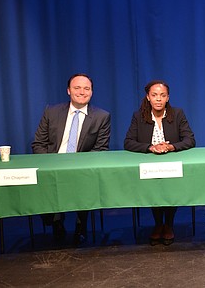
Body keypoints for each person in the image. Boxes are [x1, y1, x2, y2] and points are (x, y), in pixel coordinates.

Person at [31, 73, 111, 245]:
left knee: (84, 180)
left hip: (82, 167)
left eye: (86, 88)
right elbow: (38, 143)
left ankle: (81, 226)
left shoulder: (101, 116)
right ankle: (56, 222)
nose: (82, 92)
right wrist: (50, 164)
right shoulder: (51, 112)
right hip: (52, 164)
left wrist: (77, 165)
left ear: (91, 92)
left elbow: (101, 149)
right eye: (77, 88)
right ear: (68, 91)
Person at [124, 80, 195, 245]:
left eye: (162, 95)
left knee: (170, 186)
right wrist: (150, 147)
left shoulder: (177, 114)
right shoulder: (138, 116)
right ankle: (158, 224)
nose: (158, 99)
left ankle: (169, 224)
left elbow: (190, 139)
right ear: (148, 97)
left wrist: (171, 147)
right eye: (154, 95)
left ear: (167, 98)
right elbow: (128, 142)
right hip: (149, 164)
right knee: (154, 186)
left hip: (172, 164)